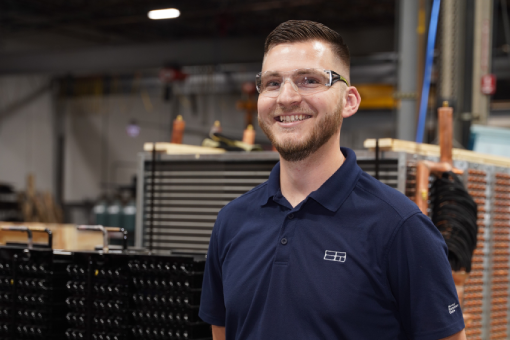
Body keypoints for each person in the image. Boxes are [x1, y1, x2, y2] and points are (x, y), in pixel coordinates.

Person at [199, 20, 466, 340]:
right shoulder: (232, 221)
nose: (286, 97)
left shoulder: (400, 228)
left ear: (349, 101)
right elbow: (222, 332)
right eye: (272, 83)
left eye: (309, 79)